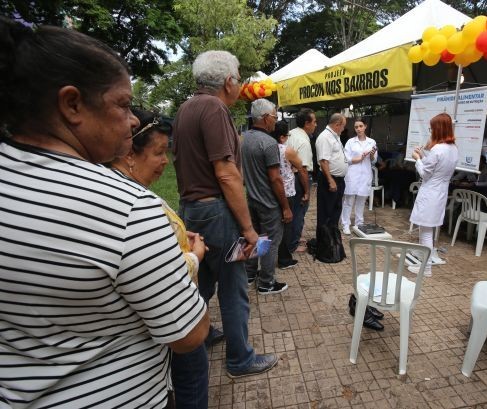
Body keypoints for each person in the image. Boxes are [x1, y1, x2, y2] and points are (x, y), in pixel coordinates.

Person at [0, 17, 209, 409]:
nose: (133, 120)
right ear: (72, 103)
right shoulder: (127, 209)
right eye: (124, 104)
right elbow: (189, 334)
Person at [172, 50, 278, 378]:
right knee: (234, 288)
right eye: (239, 79)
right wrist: (248, 229)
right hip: (217, 212)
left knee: (201, 282)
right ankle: (240, 359)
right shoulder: (215, 108)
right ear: (229, 81)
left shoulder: (186, 108)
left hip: (192, 210)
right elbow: (226, 173)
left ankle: (197, 334)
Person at [109, 109, 208, 409]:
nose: (166, 161)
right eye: (158, 152)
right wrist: (194, 256)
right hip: (168, 324)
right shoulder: (136, 205)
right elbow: (159, 271)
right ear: (129, 155)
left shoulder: (125, 194)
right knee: (192, 377)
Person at [241, 100, 291, 294]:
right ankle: (266, 283)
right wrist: (285, 207)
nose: (275, 121)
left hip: (251, 200)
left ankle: (250, 274)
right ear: (264, 118)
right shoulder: (269, 143)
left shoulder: (243, 138)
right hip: (269, 203)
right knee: (270, 242)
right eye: (274, 116)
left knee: (255, 238)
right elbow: (276, 179)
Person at [409, 113, 458, 277]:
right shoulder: (453, 149)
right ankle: (426, 266)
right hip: (440, 193)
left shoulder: (438, 149)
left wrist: (417, 158)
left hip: (430, 193)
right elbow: (435, 168)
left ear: (437, 129)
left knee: (426, 232)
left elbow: (425, 173)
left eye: (431, 128)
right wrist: (423, 156)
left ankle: (426, 268)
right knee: (428, 230)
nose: (430, 131)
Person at [271, 121, 308, 269]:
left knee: (274, 225)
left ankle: (271, 256)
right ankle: (284, 259)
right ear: (281, 137)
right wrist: (306, 191)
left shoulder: (267, 148)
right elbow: (302, 169)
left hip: (272, 192)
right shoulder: (287, 150)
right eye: (286, 135)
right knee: (287, 226)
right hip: (287, 192)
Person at [341, 118, 377, 234]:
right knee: (348, 201)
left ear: (365, 126)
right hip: (352, 174)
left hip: (365, 174)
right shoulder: (350, 142)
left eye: (361, 126)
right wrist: (358, 159)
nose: (358, 129)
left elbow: (374, 161)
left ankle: (359, 223)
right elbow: (346, 159)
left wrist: (371, 156)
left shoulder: (372, 142)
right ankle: (345, 224)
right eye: (356, 127)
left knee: (361, 200)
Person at [315, 113, 348, 237]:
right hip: (330, 179)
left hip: (338, 180)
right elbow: (324, 161)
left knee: (335, 211)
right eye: (343, 126)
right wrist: (330, 180)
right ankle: (325, 243)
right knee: (326, 212)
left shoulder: (335, 136)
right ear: (337, 124)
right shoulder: (325, 137)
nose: (344, 129)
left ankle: (332, 239)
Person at [287, 108, 315, 252]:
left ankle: (292, 238)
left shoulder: (291, 133)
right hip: (299, 178)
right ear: (307, 123)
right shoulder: (303, 140)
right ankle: (294, 243)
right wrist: (306, 191)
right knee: (299, 210)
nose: (316, 124)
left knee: (292, 210)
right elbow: (303, 169)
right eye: (314, 121)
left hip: (289, 176)